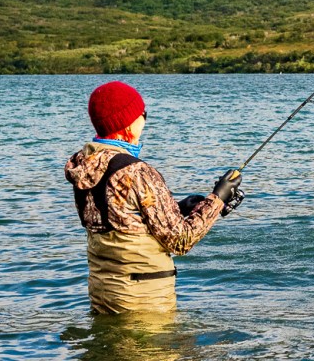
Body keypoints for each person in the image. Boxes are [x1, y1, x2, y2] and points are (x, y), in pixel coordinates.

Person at [64, 81, 244, 314]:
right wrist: (218, 199)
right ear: (127, 124)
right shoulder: (136, 171)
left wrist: (178, 208)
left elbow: (121, 220)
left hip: (104, 294)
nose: (145, 119)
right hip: (143, 299)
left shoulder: (85, 165)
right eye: (142, 114)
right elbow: (181, 240)